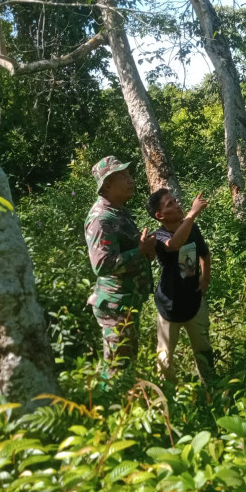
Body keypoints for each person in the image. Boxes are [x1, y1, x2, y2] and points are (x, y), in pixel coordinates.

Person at [85, 156, 156, 369]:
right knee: (117, 369)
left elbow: (127, 250)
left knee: (126, 363)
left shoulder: (118, 212)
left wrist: (145, 251)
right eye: (123, 176)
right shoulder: (101, 219)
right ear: (107, 185)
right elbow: (102, 265)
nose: (130, 180)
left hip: (126, 302)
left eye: (128, 174)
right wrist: (140, 251)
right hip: (115, 305)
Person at [146, 188, 214, 384]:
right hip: (169, 305)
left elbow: (204, 254)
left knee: (204, 349)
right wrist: (192, 213)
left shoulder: (192, 228)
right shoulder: (158, 236)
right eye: (170, 204)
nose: (177, 205)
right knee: (164, 357)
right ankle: (167, 392)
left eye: (175, 201)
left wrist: (205, 279)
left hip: (194, 301)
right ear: (159, 215)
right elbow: (174, 244)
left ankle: (211, 387)